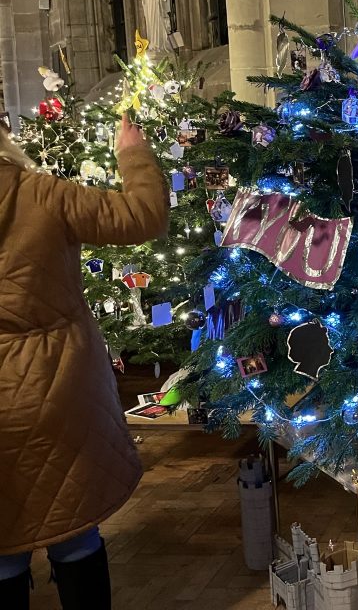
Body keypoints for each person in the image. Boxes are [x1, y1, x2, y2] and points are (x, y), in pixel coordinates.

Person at [0, 114, 169, 609]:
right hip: (58, 389)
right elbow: (143, 214)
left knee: (3, 547)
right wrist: (132, 152)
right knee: (73, 532)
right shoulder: (42, 194)